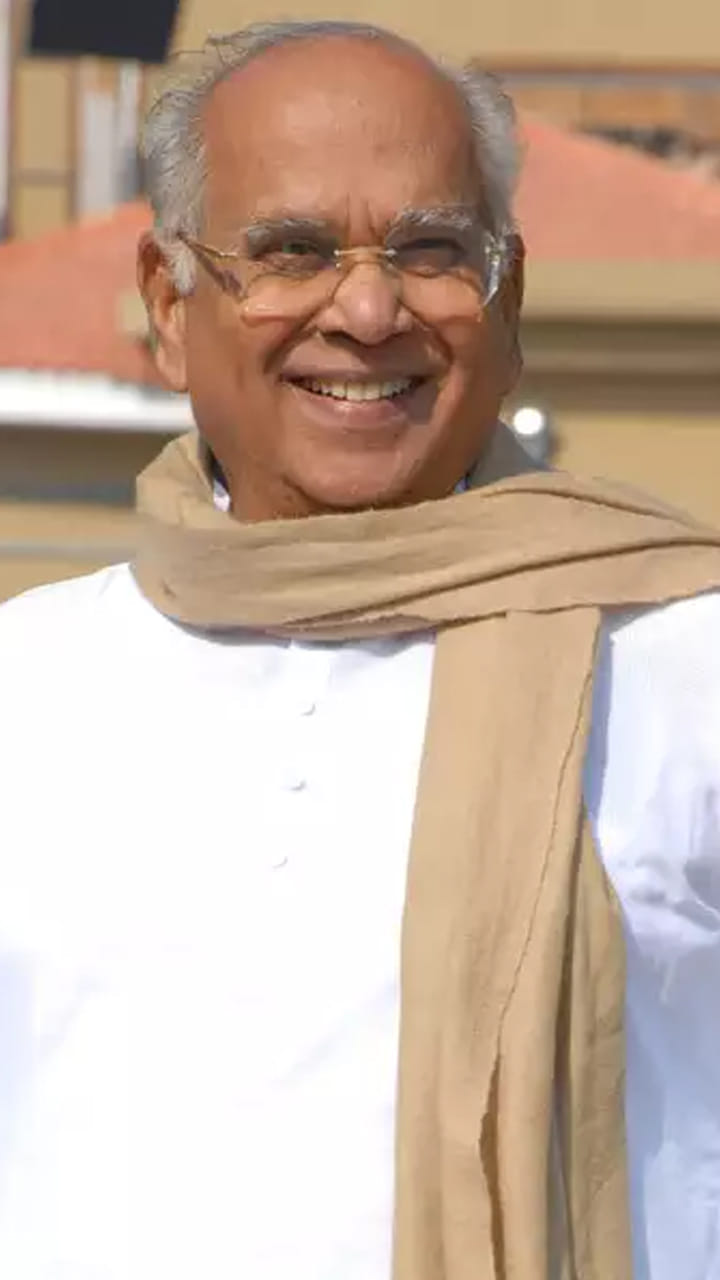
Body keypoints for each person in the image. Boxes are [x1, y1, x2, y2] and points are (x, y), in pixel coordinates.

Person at [0, 20, 719, 1280]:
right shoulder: (30, 681)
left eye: (432, 250)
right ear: (168, 304)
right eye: (292, 251)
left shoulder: (680, 659)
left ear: (508, 301)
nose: (371, 309)